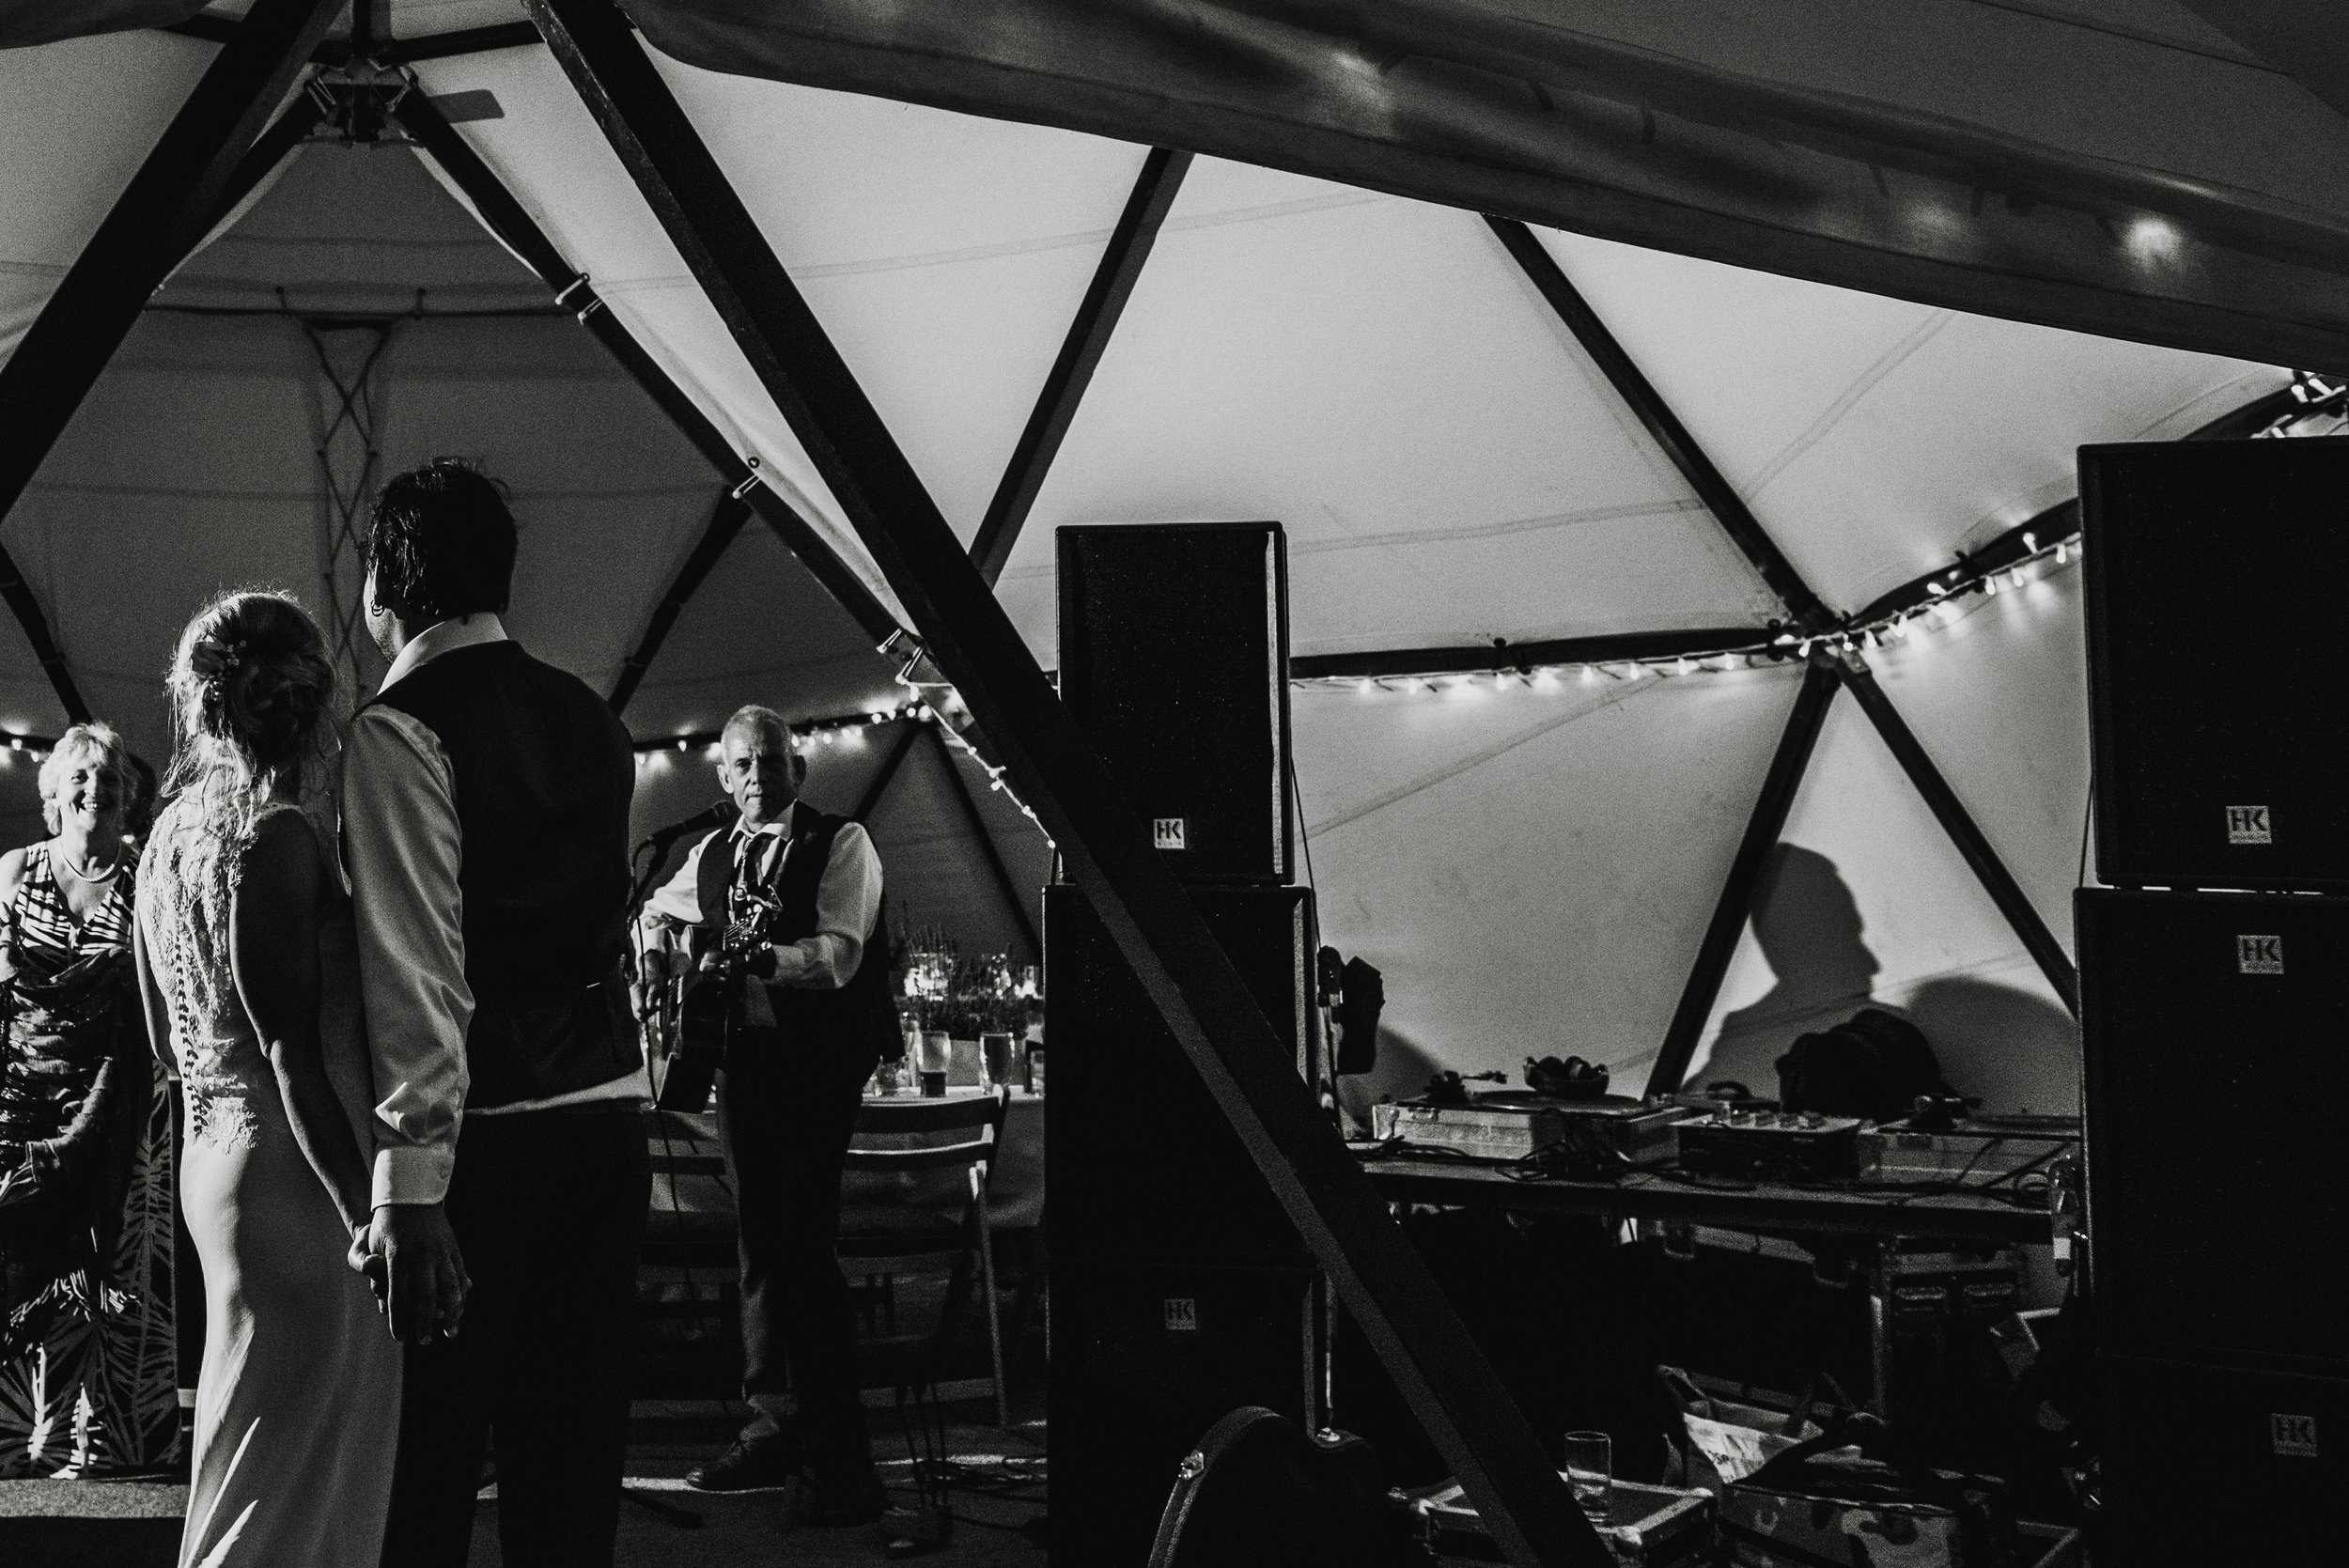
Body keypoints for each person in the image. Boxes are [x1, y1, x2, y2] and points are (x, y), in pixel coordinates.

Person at [345, 458, 646, 1568]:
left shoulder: (400, 729)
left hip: (485, 1138)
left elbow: (419, 967)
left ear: (387, 580)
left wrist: (408, 1185)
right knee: (570, 1457)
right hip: (609, 1113)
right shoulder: (592, 718)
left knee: (427, 1466)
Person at [131, 593, 400, 1563]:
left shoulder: (165, 839)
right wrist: (368, 1218)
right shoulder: (275, 836)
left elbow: (164, 1033)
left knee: (246, 1449)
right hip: (296, 1174)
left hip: (210, 1161)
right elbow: (292, 1054)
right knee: (299, 1470)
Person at [636, 704, 894, 1522]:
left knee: (802, 1246)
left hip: (818, 1065)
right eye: (743, 765)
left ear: (799, 769)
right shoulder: (710, 851)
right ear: (722, 777)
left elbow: (841, 955)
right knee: (760, 1245)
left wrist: (764, 957)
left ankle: (841, 1458)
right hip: (743, 1067)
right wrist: (651, 954)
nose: (758, 777)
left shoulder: (842, 842)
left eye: (772, 762)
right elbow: (654, 910)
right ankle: (773, 1421)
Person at [0, 722, 173, 1478]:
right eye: (79, 777)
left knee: (113, 1279)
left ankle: (106, 1441)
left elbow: (157, 998)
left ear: (125, 799)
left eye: (107, 780)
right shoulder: (13, 870)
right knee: (20, 1265)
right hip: (18, 1102)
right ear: (53, 795)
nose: (93, 790)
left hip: (114, 1099)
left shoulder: (143, 880)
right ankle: (17, 1438)